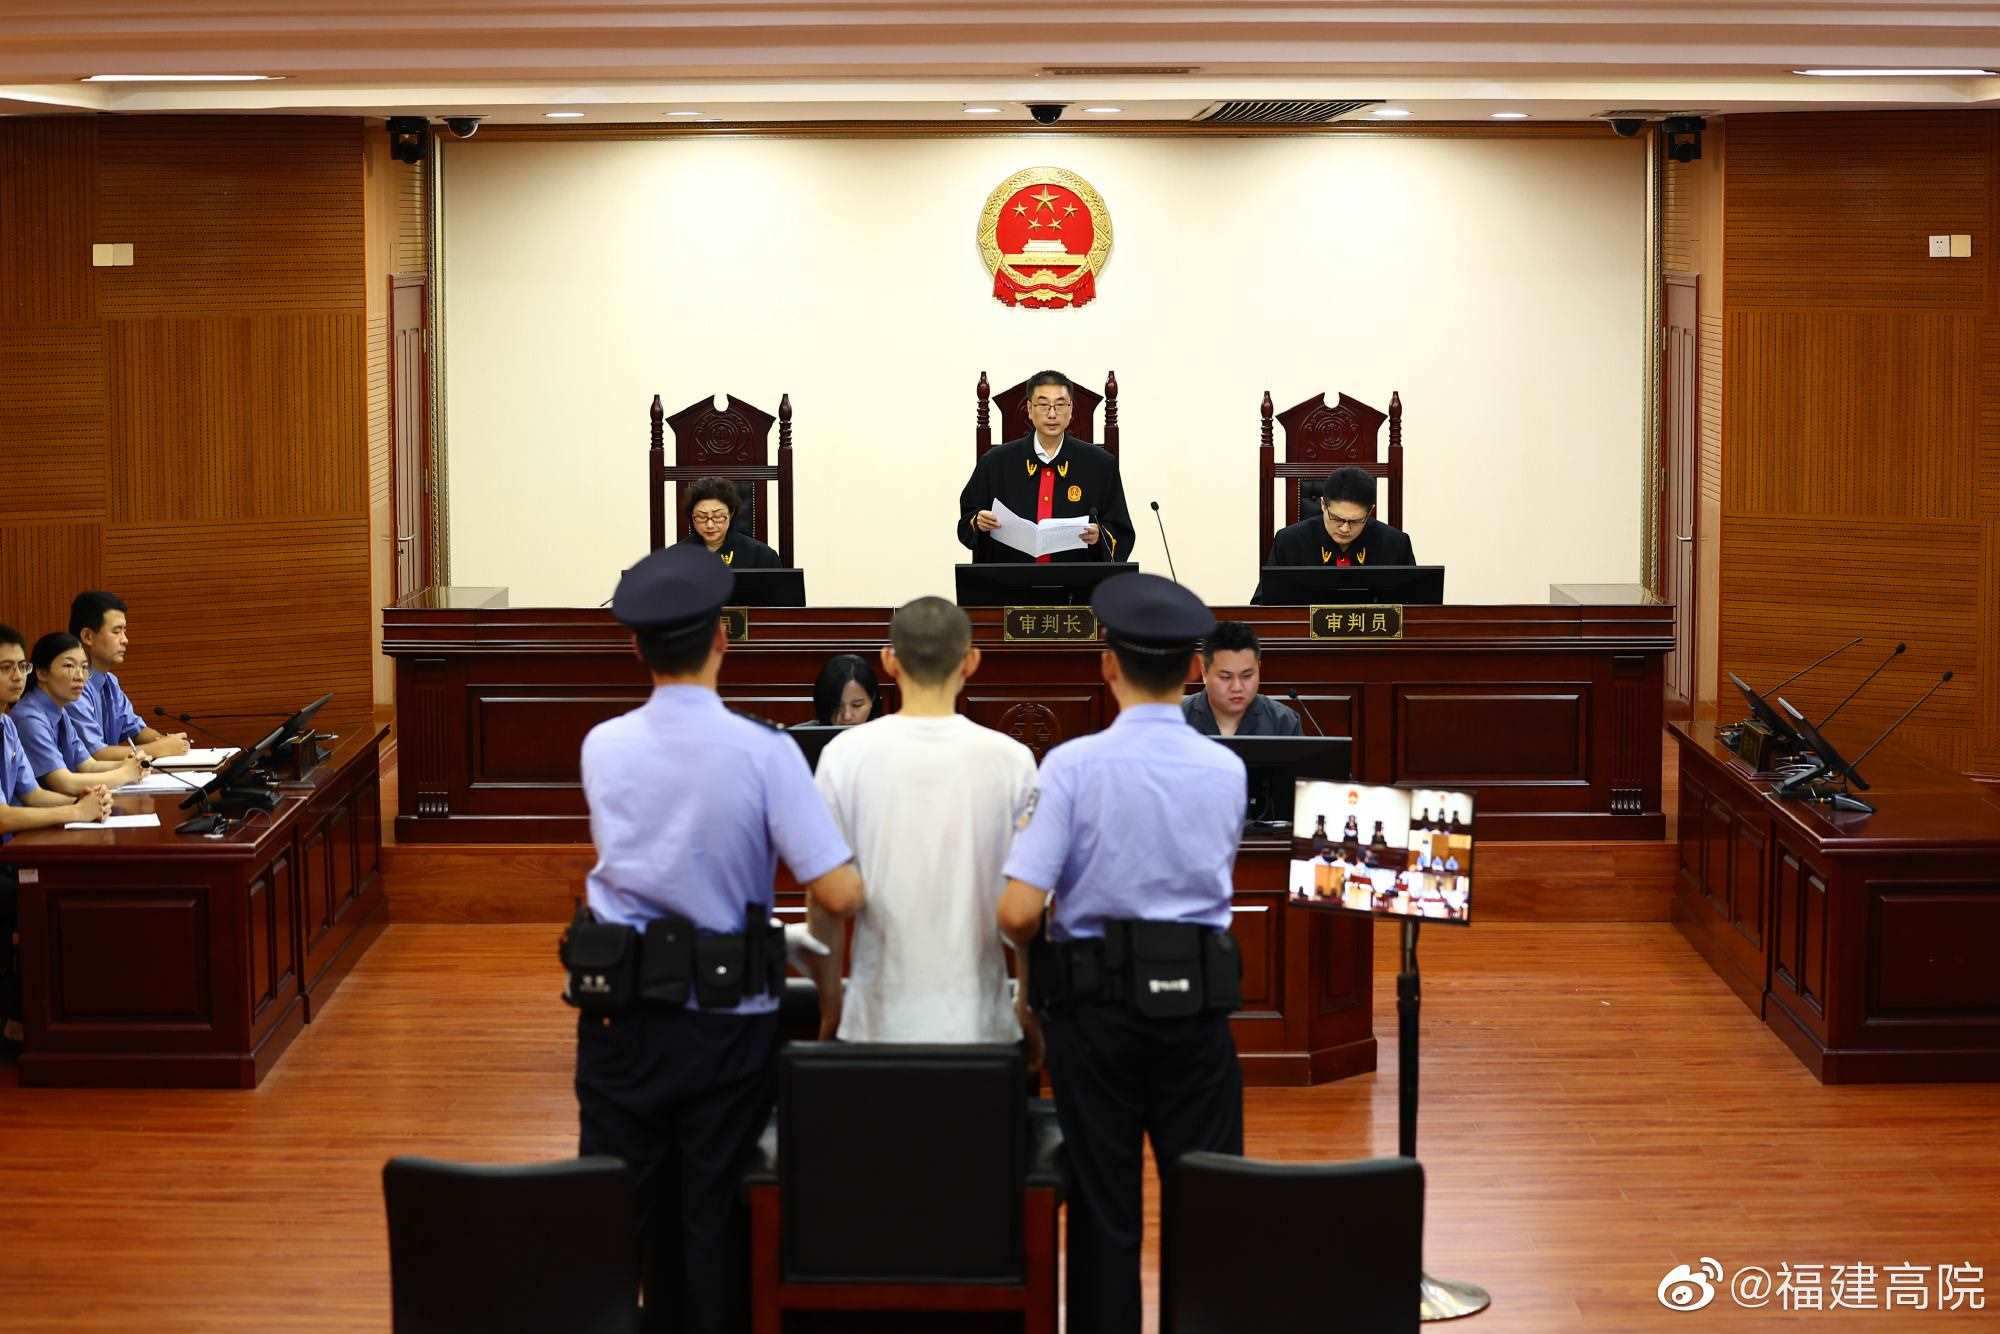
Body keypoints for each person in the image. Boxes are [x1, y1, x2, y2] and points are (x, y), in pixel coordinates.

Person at [571, 543, 864, 1334]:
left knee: (617, 1217)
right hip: (726, 1021)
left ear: (637, 648)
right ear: (723, 638)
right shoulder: (764, 752)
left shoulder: (603, 745)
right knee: (713, 1222)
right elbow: (837, 890)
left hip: (621, 1015)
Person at [998, 572, 1247, 1334]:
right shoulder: (1228, 769)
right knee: (1208, 1206)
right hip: (1197, 1008)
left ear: (1107, 664)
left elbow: (1018, 911)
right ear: (1196, 670)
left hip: (1095, 1012)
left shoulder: (1071, 767)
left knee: (1104, 1209)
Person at [811, 596, 1037, 1044]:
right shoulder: (1013, 760)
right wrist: (1024, 1005)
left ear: (889, 661)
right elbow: (1026, 910)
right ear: (971, 661)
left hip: (876, 1020)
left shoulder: (842, 756)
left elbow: (824, 902)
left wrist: (830, 1005)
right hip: (981, 1022)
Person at [0, 624, 113, 1057]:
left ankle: (67, 1018)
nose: (17, 677)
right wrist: (73, 812)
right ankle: (27, 1024)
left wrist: (84, 800)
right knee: (55, 897)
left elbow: (31, 794)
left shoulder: (6, 725)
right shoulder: (21, 718)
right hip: (5, 855)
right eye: (6, 668)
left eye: (21, 666)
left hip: (12, 851)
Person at [956, 371, 1135, 565]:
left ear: (1071, 409)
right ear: (1029, 409)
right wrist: (978, 521)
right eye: (1043, 405)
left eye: (1060, 405)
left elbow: (1121, 532)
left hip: (1078, 580)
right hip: (1010, 579)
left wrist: (1100, 535)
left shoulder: (1101, 465)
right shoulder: (994, 463)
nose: (1052, 414)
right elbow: (966, 523)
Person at [12, 634, 144, 797]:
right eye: (69, 666)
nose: (80, 676)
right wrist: (124, 774)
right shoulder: (29, 718)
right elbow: (64, 782)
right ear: (42, 673)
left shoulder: (59, 710)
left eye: (84, 667)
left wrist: (130, 764)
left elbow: (88, 765)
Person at [67, 591, 191, 760]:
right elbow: (95, 754)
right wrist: (158, 748)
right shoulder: (72, 687)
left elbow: (136, 729)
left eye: (124, 631)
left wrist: (166, 741)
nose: (125, 640)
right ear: (88, 636)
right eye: (116, 632)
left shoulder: (110, 682)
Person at [1260, 464, 1415, 570]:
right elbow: (1263, 605)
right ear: (1323, 505)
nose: (1345, 528)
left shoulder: (1396, 545)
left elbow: (1416, 605)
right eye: (1337, 518)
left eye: (1355, 521)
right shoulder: (1288, 542)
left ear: (1370, 512)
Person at [1180, 620, 1301, 737]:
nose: (1237, 687)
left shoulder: (1283, 722)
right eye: (1226, 677)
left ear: (1258, 668)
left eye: (1246, 676)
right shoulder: (1177, 717)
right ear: (1204, 673)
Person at [680, 476, 782, 569]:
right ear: (692, 516)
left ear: (731, 513)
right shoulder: (676, 556)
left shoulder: (762, 556)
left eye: (718, 516)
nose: (710, 525)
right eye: (701, 517)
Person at [809, 653, 883, 727]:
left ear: (872, 699)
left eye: (857, 705)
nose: (847, 716)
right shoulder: (804, 733)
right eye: (837, 706)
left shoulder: (887, 732)